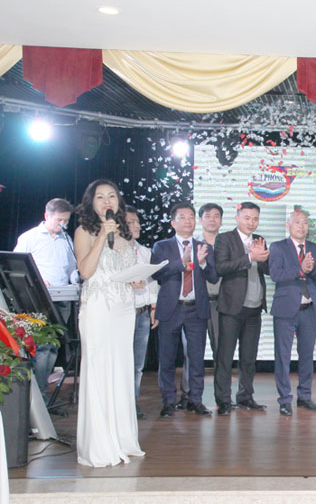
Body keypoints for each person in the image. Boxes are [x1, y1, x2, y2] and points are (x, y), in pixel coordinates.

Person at [73, 179, 144, 467]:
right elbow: (86, 271)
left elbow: (125, 272)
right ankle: (100, 444)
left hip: (124, 309)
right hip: (99, 308)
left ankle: (122, 438)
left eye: (111, 196)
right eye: (100, 197)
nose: (107, 201)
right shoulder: (84, 231)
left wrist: (137, 279)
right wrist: (102, 234)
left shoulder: (125, 233)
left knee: (121, 371)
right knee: (100, 371)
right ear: (91, 203)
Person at [151, 202, 219, 417]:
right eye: (183, 217)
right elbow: (156, 274)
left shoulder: (204, 247)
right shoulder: (162, 246)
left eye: (191, 217)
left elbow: (214, 277)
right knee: (167, 358)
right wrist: (181, 263)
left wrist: (203, 263)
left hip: (196, 309)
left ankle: (195, 400)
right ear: (173, 223)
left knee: (197, 359)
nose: (188, 221)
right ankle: (169, 402)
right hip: (171, 308)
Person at [14, 198, 79, 399]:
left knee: (54, 345)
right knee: (41, 346)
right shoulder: (30, 237)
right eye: (59, 220)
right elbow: (16, 265)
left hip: (62, 298)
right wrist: (38, 279)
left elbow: (71, 269)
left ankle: (42, 392)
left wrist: (77, 280)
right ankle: (38, 395)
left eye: (66, 221)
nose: (63, 225)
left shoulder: (66, 240)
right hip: (37, 299)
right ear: (46, 216)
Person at [213, 202, 269, 416]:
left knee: (249, 358)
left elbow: (268, 270)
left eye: (255, 218)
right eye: (247, 218)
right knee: (225, 357)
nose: (251, 222)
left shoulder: (259, 240)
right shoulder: (224, 239)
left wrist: (264, 257)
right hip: (232, 308)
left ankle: (245, 396)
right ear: (237, 218)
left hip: (254, 308)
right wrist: (249, 257)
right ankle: (223, 400)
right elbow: (221, 267)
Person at [269, 209, 316, 416]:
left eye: (305, 222)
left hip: (308, 310)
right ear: (288, 225)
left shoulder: (315, 248)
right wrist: (301, 269)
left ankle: (305, 396)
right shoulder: (278, 247)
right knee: (283, 356)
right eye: (297, 222)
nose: (301, 226)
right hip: (285, 310)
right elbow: (276, 274)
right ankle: (284, 399)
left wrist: (312, 269)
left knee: (307, 355)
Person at [124, 207, 159, 419]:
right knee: (121, 362)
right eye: (131, 222)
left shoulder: (145, 251)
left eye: (137, 221)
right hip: (123, 313)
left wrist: (154, 307)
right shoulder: (113, 252)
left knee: (138, 364)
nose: (137, 226)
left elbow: (152, 282)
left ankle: (132, 404)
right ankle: (119, 404)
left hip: (143, 313)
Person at [198, 203, 223, 362]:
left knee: (221, 350)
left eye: (216, 216)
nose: (212, 220)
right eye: (207, 216)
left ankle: (221, 379)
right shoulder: (192, 244)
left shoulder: (229, 244)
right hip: (196, 303)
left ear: (221, 220)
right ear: (200, 220)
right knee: (192, 351)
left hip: (222, 303)